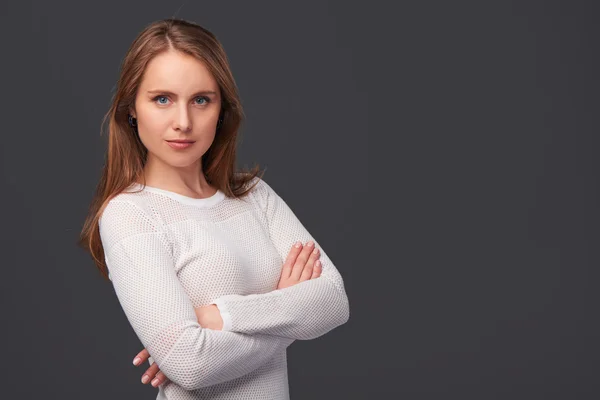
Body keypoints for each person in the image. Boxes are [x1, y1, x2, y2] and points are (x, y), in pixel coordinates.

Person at [79, 18, 350, 399]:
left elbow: (334, 300)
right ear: (131, 109)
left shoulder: (254, 195)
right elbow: (192, 364)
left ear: (222, 109)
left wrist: (219, 317)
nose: (183, 122)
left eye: (201, 100)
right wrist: (289, 312)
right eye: (162, 99)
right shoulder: (130, 214)